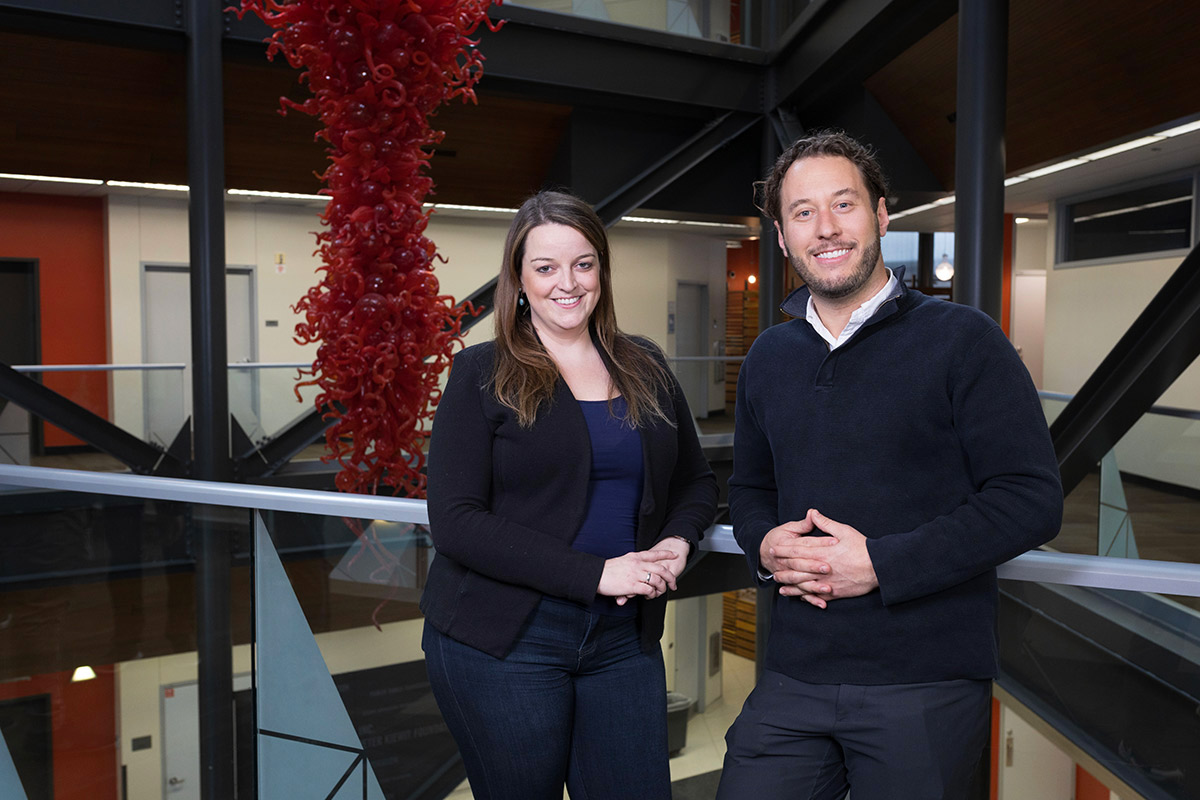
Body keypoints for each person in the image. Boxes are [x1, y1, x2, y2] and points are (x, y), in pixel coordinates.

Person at [717, 131, 1063, 799]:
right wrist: (763, 540)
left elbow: (1029, 499)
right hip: (794, 675)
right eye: (803, 212)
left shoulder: (965, 341)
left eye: (843, 205)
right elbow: (752, 487)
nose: (826, 228)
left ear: (880, 215)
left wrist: (881, 563)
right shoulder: (768, 357)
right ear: (784, 239)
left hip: (925, 681)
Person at [421, 190, 718, 800]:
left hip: (622, 640)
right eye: (546, 267)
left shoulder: (646, 365)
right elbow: (455, 521)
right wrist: (597, 573)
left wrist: (676, 540)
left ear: (602, 273)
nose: (568, 283)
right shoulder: (482, 371)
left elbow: (695, 482)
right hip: (504, 638)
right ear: (519, 280)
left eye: (584, 263)